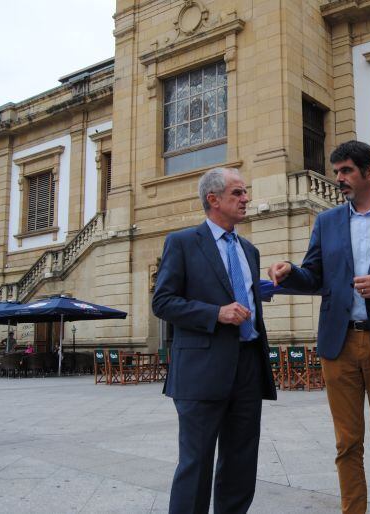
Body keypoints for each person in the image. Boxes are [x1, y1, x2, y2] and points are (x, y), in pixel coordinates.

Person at [268, 141, 370, 514]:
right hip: (338, 344)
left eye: (345, 171)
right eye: (336, 171)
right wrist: (293, 272)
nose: (338, 178)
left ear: (369, 172)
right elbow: (315, 277)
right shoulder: (327, 221)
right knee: (346, 442)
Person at [152, 167, 276, 514]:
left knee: (241, 461)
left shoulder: (249, 250)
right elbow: (162, 302)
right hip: (201, 369)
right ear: (214, 199)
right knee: (196, 462)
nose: (246, 198)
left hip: (248, 364)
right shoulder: (183, 243)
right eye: (237, 193)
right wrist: (215, 314)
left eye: (245, 192)